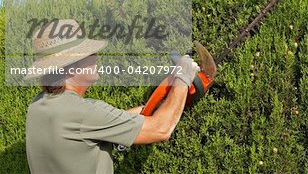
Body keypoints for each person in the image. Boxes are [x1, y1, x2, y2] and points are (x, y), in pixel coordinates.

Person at [25, 19, 199, 174]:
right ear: (71, 67)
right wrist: (183, 77)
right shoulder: (85, 112)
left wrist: (151, 108)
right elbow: (161, 130)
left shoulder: (37, 106)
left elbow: (89, 126)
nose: (96, 57)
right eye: (90, 54)